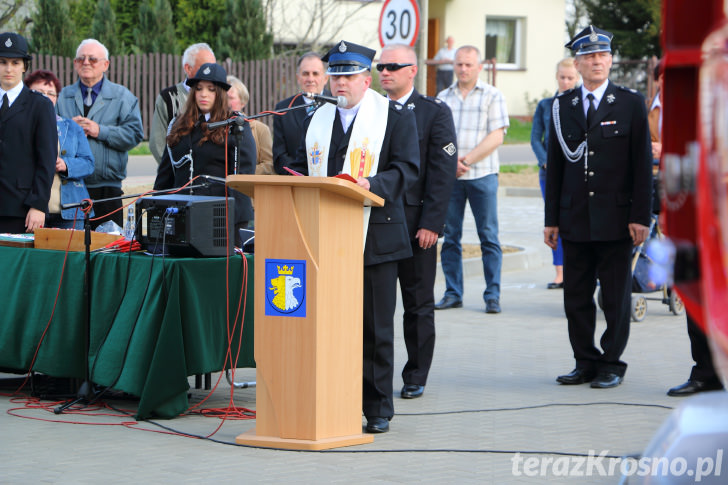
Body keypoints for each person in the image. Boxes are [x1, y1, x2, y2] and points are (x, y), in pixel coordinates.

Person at [285, 40, 419, 433]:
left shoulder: (394, 117)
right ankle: (334, 398)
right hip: (324, 235)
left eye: (349, 76)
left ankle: (377, 408)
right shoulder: (318, 118)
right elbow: (298, 163)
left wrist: (369, 183)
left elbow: (407, 170)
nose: (340, 83)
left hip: (375, 237)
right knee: (328, 326)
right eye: (336, 76)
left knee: (375, 328)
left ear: (366, 78)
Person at [544, 26, 652, 389]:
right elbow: (556, 166)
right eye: (589, 56)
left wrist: (640, 216)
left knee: (615, 298)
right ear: (577, 62)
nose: (597, 61)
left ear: (610, 59)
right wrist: (551, 220)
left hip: (617, 219)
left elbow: (641, 167)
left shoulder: (630, 103)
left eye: (603, 55)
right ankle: (584, 361)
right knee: (575, 297)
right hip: (574, 218)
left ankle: (611, 363)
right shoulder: (563, 105)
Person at [378, 44, 457, 400]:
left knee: (418, 304)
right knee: (376, 307)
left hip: (415, 225)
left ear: (412, 70)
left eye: (393, 65)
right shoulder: (371, 111)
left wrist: (432, 224)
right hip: (377, 222)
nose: (384, 71)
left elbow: (442, 175)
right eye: (381, 66)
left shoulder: (433, 113)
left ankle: (415, 374)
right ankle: (373, 374)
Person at [435, 45, 509, 314]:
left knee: (488, 236)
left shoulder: (493, 95)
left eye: (469, 64)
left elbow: (497, 136)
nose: (463, 69)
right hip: (450, 178)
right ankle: (453, 293)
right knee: (450, 237)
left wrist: (465, 161)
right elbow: (438, 136)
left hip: (482, 175)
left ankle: (492, 295)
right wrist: (450, 162)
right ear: (453, 66)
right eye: (459, 64)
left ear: (479, 67)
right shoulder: (443, 97)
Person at [153, 63, 256, 234]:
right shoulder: (178, 125)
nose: (203, 94)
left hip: (221, 218)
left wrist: (232, 220)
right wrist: (156, 210)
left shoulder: (235, 126)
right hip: (181, 215)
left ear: (221, 93)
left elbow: (243, 179)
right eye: (199, 88)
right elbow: (165, 176)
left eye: (211, 89)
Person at [56, 39, 143, 229]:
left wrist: (100, 131)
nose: (86, 63)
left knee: (107, 246)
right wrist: (69, 129)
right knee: (73, 248)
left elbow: (135, 134)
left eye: (92, 59)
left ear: (106, 65)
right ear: (75, 64)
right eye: (81, 59)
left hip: (107, 189)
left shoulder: (122, 97)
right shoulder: (62, 96)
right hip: (69, 186)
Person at [0, 32, 57, 234]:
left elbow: (46, 160)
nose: (8, 69)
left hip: (21, 209)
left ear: (24, 66)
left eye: (15, 62)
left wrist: (39, 204)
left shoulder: (39, 105)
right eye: (3, 62)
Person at [530, 58, 580, 289]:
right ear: (557, 77)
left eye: (570, 78)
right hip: (549, 173)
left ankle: (578, 270)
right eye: (562, 77)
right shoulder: (544, 105)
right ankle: (559, 273)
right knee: (555, 220)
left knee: (577, 219)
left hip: (576, 171)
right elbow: (535, 138)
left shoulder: (582, 104)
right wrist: (546, 161)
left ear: (577, 77)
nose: (566, 81)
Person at [25, 70, 95, 229]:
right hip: (30, 209)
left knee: (70, 254)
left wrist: (66, 165)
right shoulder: (18, 125)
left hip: (70, 210)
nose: (46, 97)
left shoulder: (71, 127)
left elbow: (89, 163)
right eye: (39, 92)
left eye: (51, 93)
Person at [149, 43, 216, 165]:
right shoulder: (169, 97)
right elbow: (157, 143)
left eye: (213, 67)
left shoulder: (219, 96)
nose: (211, 72)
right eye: (205, 67)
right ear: (188, 68)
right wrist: (176, 170)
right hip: (180, 177)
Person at [272, 52, 328, 174]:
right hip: (295, 182)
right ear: (298, 78)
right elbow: (279, 154)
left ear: (325, 78)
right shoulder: (284, 109)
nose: (310, 79)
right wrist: (298, 175)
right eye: (305, 73)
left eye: (315, 73)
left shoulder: (337, 105)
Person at [227, 75, 274, 175]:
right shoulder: (212, 127)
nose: (226, 102)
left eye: (230, 98)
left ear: (243, 102)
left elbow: (269, 164)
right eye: (223, 97)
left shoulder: (260, 129)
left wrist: (242, 172)